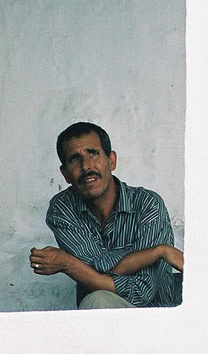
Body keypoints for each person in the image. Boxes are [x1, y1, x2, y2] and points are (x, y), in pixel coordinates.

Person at [29, 122, 183, 309]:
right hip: (100, 319)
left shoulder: (147, 204)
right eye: (74, 159)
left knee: (99, 298)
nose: (86, 166)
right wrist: (157, 252)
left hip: (157, 319)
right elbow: (96, 268)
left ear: (111, 161)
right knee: (99, 299)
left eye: (93, 153)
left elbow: (141, 292)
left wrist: (68, 264)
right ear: (65, 174)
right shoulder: (63, 208)